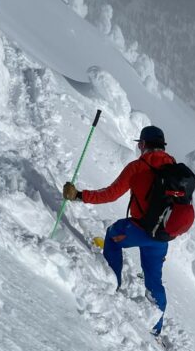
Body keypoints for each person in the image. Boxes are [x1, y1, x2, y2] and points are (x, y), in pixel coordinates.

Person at [63, 125, 180, 333]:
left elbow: (110, 194)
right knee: (154, 281)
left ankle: (111, 284)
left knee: (112, 236)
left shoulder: (137, 167)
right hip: (162, 236)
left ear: (143, 144)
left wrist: (79, 195)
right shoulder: (175, 169)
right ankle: (156, 328)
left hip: (139, 229)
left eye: (139, 145)